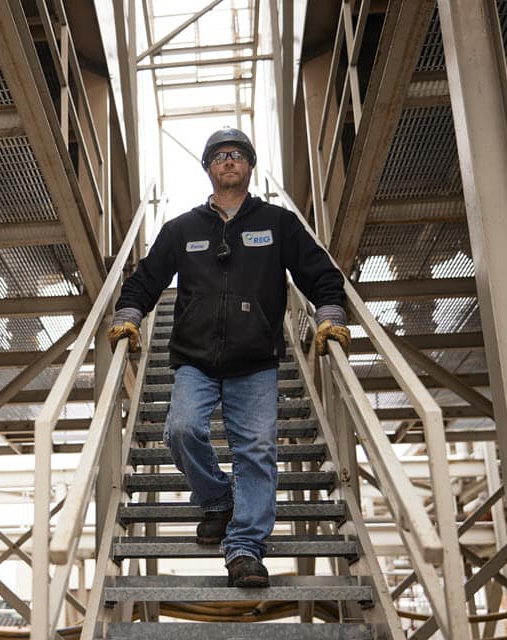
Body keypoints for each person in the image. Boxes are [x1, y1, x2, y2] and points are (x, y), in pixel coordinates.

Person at [108, 127, 350, 587]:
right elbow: (145, 281)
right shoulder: (182, 229)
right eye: (219, 155)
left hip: (255, 359)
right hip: (195, 359)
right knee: (180, 430)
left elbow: (320, 274)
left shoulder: (277, 223)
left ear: (249, 166)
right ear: (208, 168)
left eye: (237, 154)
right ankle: (218, 500)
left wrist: (330, 314)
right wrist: (129, 315)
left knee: (256, 452)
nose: (228, 160)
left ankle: (244, 550)